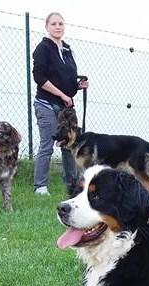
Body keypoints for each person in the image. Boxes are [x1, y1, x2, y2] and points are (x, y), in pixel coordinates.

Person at [32, 12, 89, 197]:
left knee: (69, 145)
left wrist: (78, 86)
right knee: (48, 144)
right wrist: (62, 94)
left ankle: (72, 185)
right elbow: (40, 78)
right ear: (47, 26)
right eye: (54, 24)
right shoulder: (43, 48)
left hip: (65, 107)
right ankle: (40, 186)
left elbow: (68, 79)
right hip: (46, 103)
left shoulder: (67, 49)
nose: (58, 27)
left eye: (61, 24)